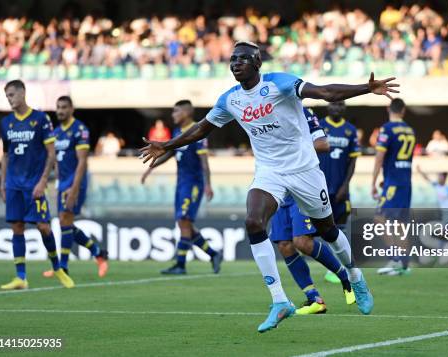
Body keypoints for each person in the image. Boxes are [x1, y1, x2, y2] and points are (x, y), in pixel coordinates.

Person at [141, 41, 398, 332]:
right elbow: (203, 127)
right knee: (253, 221)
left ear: (257, 62)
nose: (235, 63)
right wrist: (167, 145)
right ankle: (280, 301)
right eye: (232, 59)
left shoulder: (280, 83)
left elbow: (325, 92)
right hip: (270, 171)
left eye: (242, 59)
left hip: (304, 169)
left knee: (327, 230)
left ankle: (354, 276)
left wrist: (366, 88)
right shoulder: (230, 100)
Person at [270, 107, 355, 315]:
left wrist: (291, 149)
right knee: (284, 245)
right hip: (279, 184)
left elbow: (322, 144)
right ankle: (314, 299)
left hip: (302, 185)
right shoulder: (262, 111)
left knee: (302, 241)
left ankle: (344, 276)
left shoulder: (302, 111)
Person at [0, 80, 73, 290]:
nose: (10, 99)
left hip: (34, 185)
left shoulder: (41, 119)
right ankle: (21, 277)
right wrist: (3, 183)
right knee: (17, 227)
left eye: (12, 95)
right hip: (14, 183)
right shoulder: (6, 123)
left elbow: (51, 154)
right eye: (7, 96)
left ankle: (57, 268)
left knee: (43, 227)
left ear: (22, 94)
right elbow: (5, 155)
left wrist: (43, 181)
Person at [142, 100, 222, 275]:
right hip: (181, 184)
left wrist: (208, 184)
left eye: (175, 112)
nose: (173, 115)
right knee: (183, 223)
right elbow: (169, 152)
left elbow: (204, 161)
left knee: (184, 222)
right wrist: (150, 168)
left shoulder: (198, 131)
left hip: (193, 184)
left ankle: (180, 264)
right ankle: (213, 254)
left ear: (185, 113)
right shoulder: (178, 132)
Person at [42, 96, 108, 279]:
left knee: (65, 220)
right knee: (66, 223)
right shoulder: (56, 133)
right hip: (62, 183)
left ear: (72, 109)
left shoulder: (80, 130)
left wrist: (75, 188)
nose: (60, 111)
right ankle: (98, 253)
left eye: (64, 107)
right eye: (58, 107)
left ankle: (62, 267)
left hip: (75, 181)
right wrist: (56, 183)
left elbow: (82, 161)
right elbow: (55, 161)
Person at [317, 100, 361, 283]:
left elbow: (352, 161)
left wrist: (346, 185)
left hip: (341, 189)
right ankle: (335, 266)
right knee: (325, 229)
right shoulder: (319, 125)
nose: (336, 108)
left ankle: (345, 266)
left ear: (344, 108)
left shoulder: (350, 130)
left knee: (340, 228)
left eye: (340, 105)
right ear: (328, 106)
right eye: (333, 105)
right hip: (320, 187)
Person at [372, 98, 415, 276]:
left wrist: (373, 182)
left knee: (379, 219)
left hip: (393, 184)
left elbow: (379, 156)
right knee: (399, 224)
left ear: (388, 108)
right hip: (405, 182)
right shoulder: (410, 130)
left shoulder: (387, 129)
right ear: (403, 111)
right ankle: (404, 265)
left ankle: (394, 259)